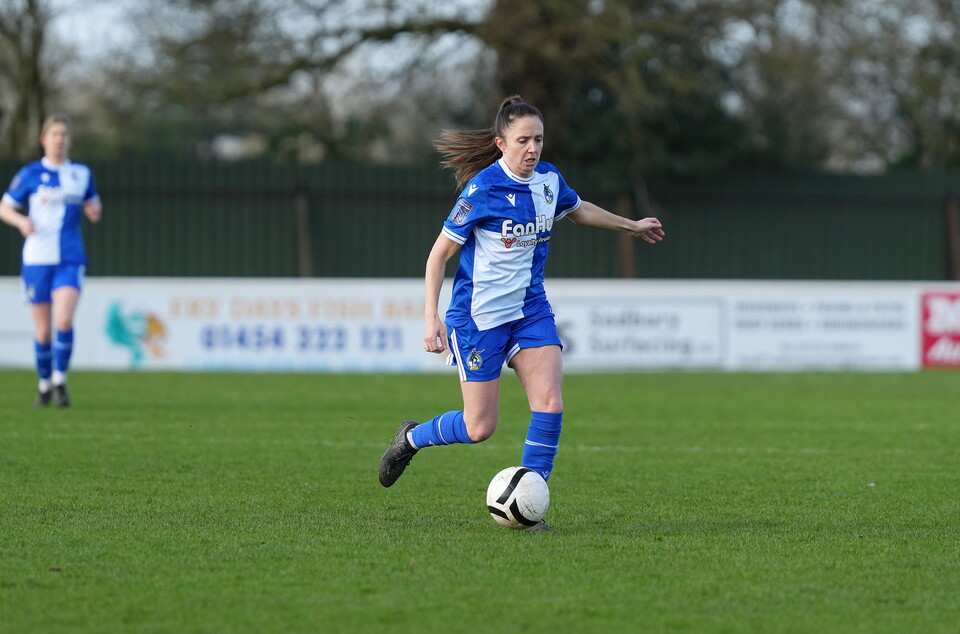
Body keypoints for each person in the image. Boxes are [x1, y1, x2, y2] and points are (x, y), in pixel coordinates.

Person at [377, 95, 665, 530]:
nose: (533, 149)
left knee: (549, 402)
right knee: (479, 427)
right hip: (479, 319)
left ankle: (530, 505)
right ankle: (412, 437)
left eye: (539, 140)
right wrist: (430, 317)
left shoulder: (549, 180)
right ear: (501, 143)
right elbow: (437, 256)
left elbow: (579, 210)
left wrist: (631, 226)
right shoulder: (482, 191)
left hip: (530, 310)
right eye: (523, 140)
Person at [0, 113, 102, 407]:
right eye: (55, 134)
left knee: (64, 318)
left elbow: (94, 204)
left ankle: (59, 379)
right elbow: (4, 207)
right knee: (43, 331)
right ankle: (44, 383)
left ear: (70, 140)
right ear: (44, 139)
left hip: (70, 257)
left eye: (64, 134)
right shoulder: (30, 173)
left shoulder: (81, 173)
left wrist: (93, 211)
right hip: (37, 259)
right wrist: (21, 221)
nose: (60, 139)